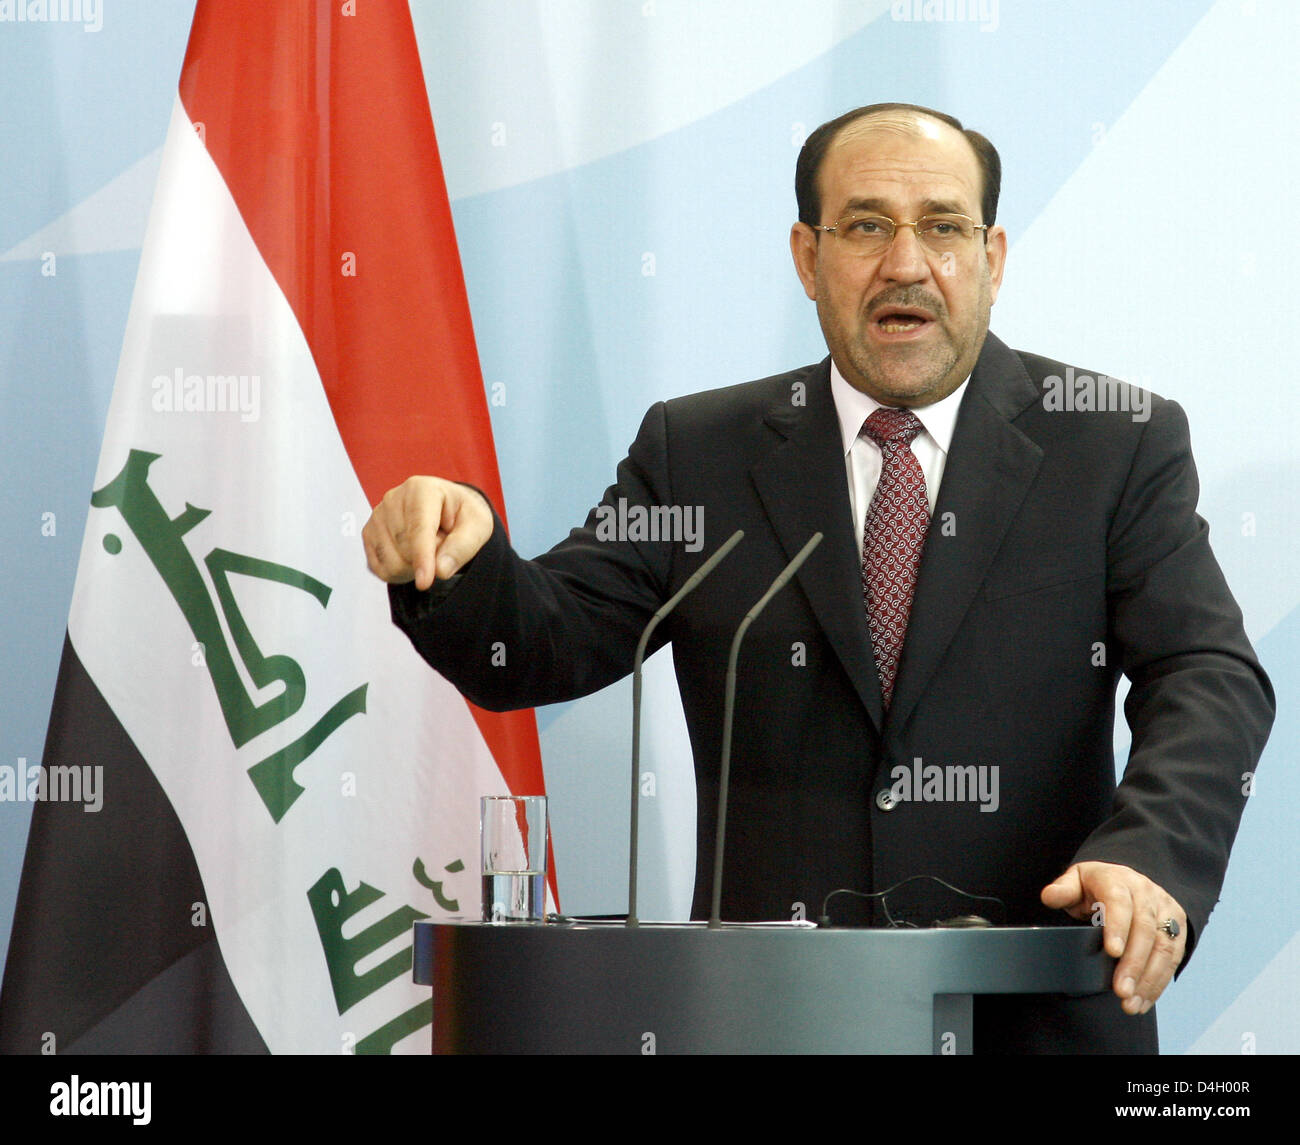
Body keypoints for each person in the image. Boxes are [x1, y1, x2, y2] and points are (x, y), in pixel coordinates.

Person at [363, 103, 1274, 1053]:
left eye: (945, 227)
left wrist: (1146, 858)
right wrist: (459, 562)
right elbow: (543, 640)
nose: (908, 263)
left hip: (1031, 1021)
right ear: (807, 256)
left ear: (993, 258)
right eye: (868, 225)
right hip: (765, 1022)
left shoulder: (1113, 443)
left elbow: (1209, 675)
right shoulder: (700, 452)